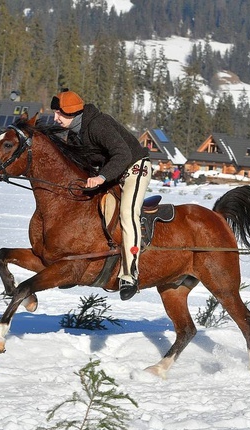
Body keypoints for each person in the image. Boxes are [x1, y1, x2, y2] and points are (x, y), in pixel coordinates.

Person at [50, 89, 151, 301]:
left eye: (59, 114)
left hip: (135, 168)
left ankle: (129, 275)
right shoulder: (74, 134)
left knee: (127, 213)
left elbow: (122, 154)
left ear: (71, 113)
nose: (55, 118)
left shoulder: (98, 124)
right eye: (55, 114)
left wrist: (102, 177)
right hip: (113, 174)